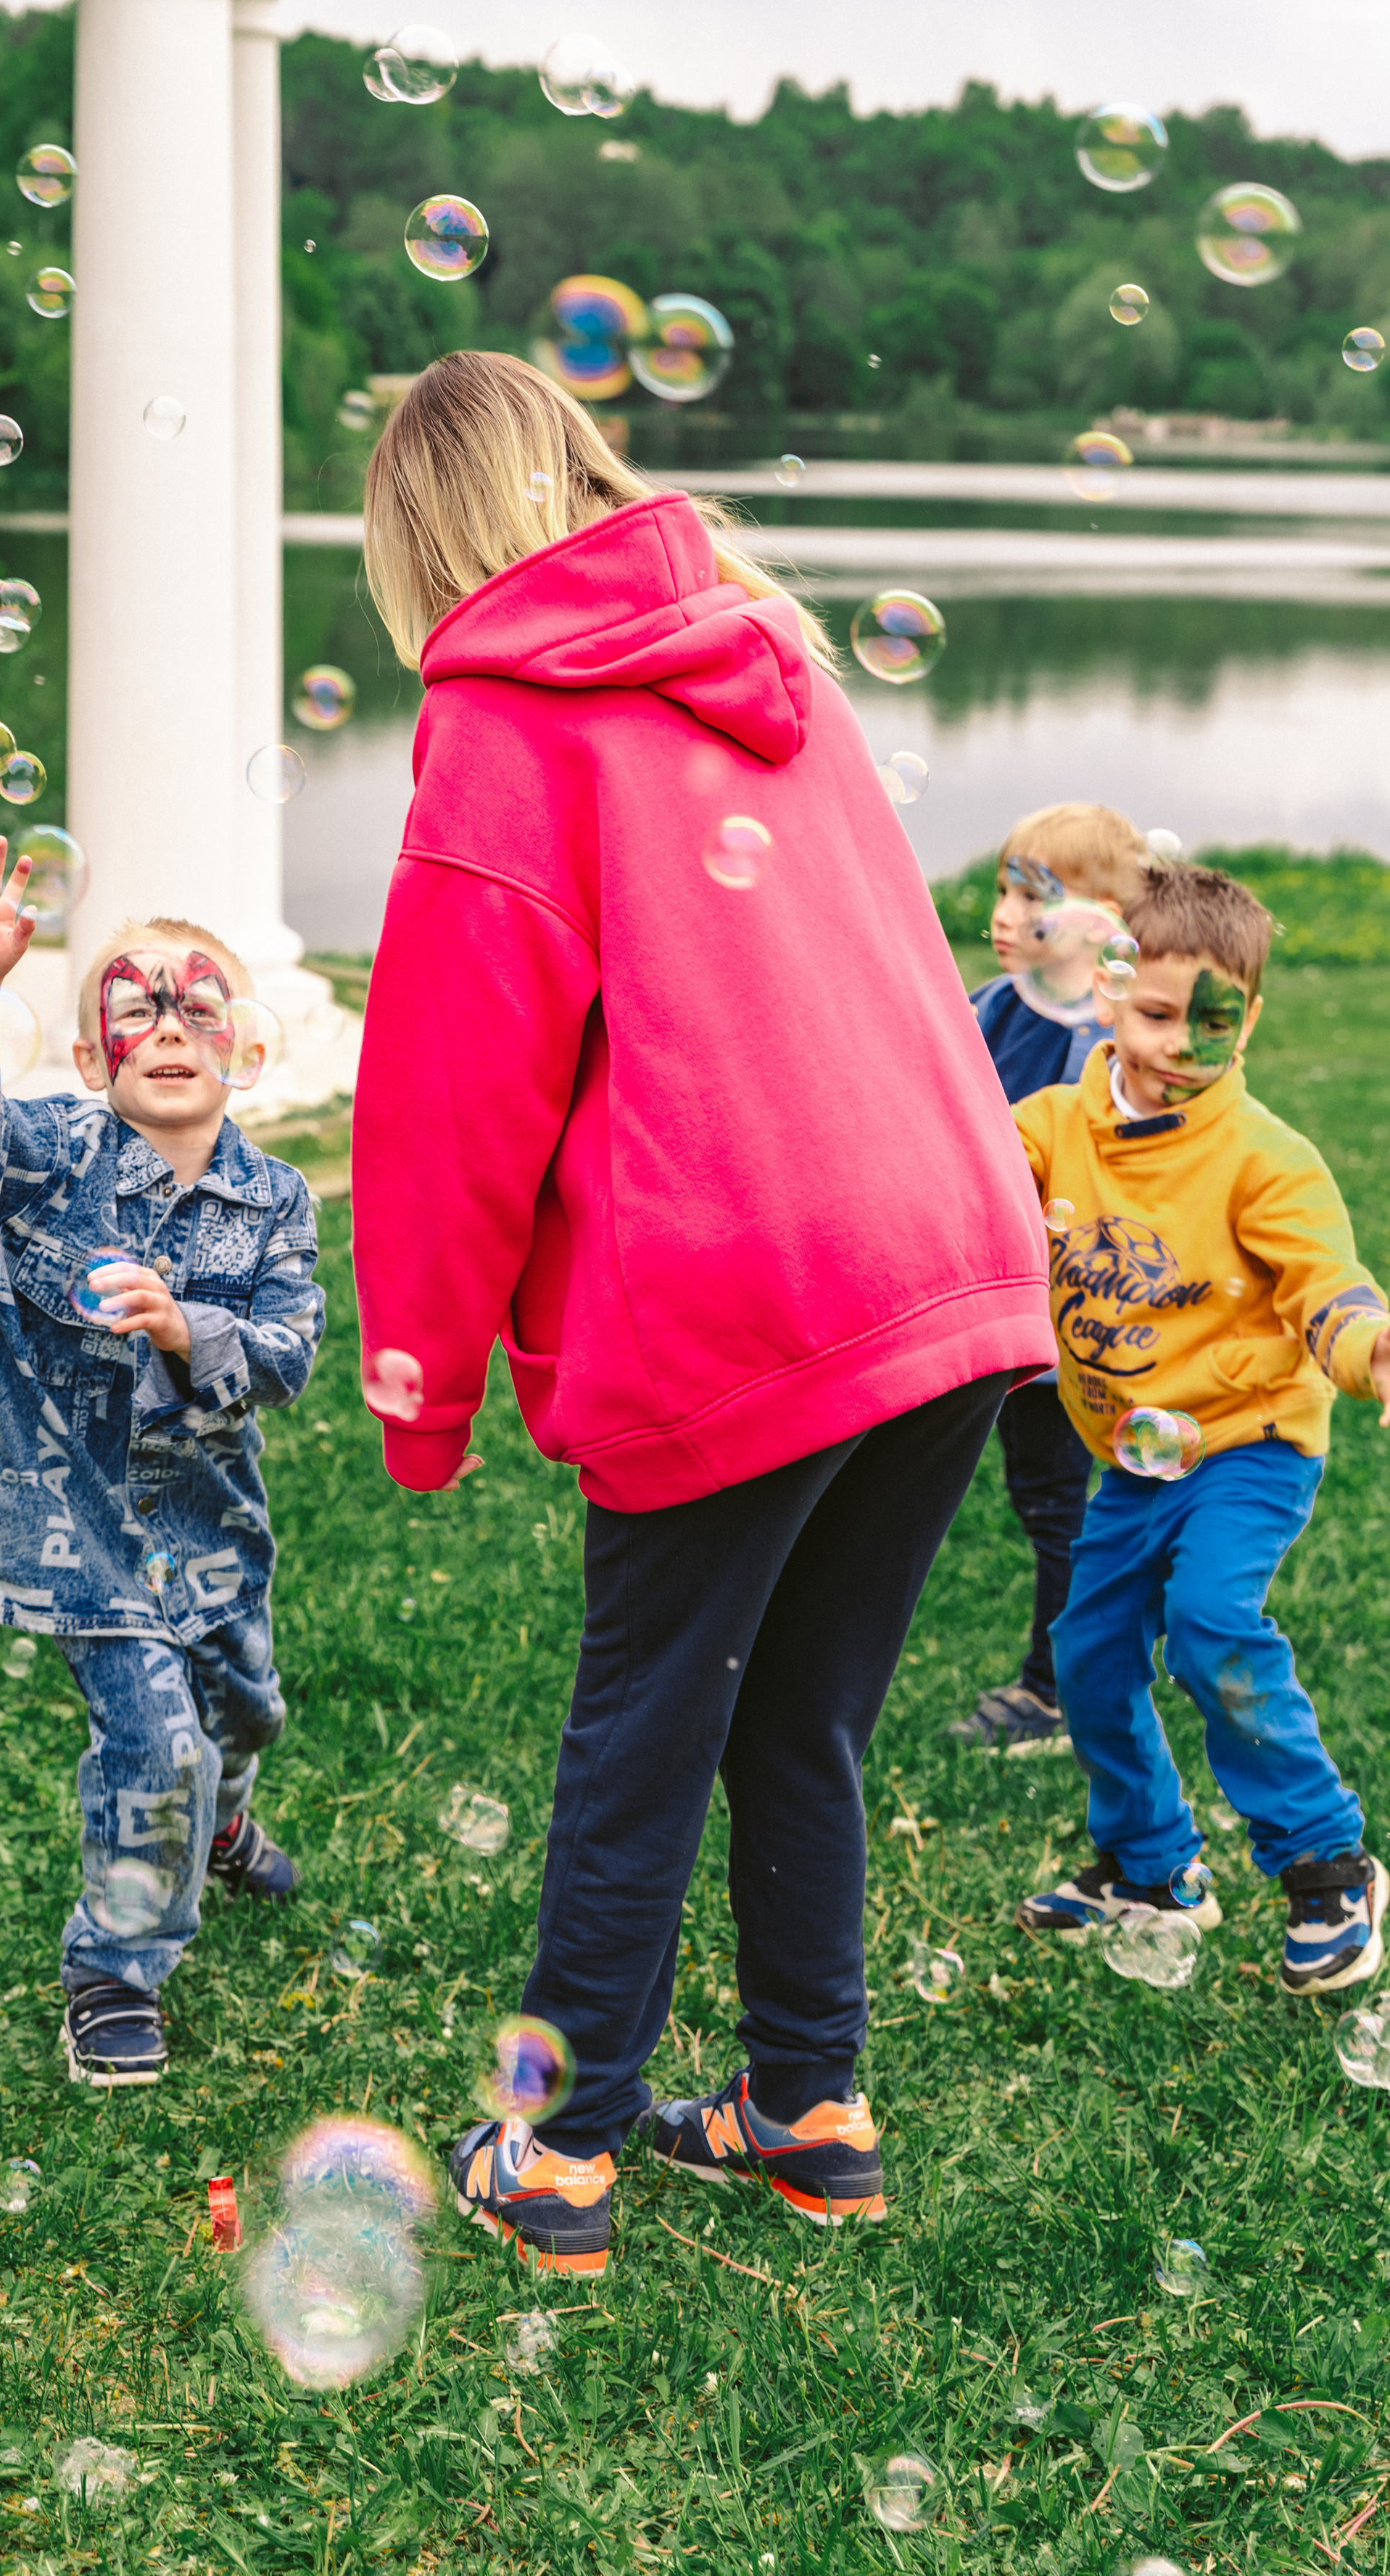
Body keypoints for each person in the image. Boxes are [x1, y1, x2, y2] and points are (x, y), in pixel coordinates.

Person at [349, 352, 1055, 2274]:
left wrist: (420, 1388)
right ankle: (807, 2105)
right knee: (801, 1712)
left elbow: (445, 1088)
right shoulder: (772, 654)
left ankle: (565, 2149)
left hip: (743, 1278)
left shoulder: (505, 716)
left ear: (416, 540)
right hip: (951, 1247)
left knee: (648, 1722)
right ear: (586, 470)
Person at [0, 840, 321, 2086]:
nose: (167, 1026)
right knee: (155, 1748)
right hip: (83, 1548)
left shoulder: (279, 1201)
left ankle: (220, 1824)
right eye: (134, 1010)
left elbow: (287, 1354)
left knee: (242, 1714)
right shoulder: (36, 1170)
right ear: (88, 1059)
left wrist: (189, 1326)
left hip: (216, 1538)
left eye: (196, 1008)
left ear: (242, 1049)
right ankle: (115, 1972)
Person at [1014, 861, 1390, 1993]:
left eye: (1213, 1021)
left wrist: (1371, 1349)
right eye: (1158, 1013)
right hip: (1134, 1455)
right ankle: (1152, 1867)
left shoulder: (1266, 1159)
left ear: (1253, 1019)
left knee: (1213, 1620)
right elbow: (968, 1196)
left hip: (1249, 1440)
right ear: (1109, 995)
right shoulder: (1046, 1129)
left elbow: (1329, 1287)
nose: (1182, 1042)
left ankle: (1328, 1863)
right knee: (1086, 1655)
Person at [945, 802, 1144, 1753]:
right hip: (985, 1304)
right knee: (1031, 1496)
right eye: (1003, 888)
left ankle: (1056, 1690)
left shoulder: (1109, 1048)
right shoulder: (987, 1010)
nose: (1006, 912)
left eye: (1036, 897)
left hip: (1065, 1323)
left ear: (1104, 919)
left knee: (1060, 1502)